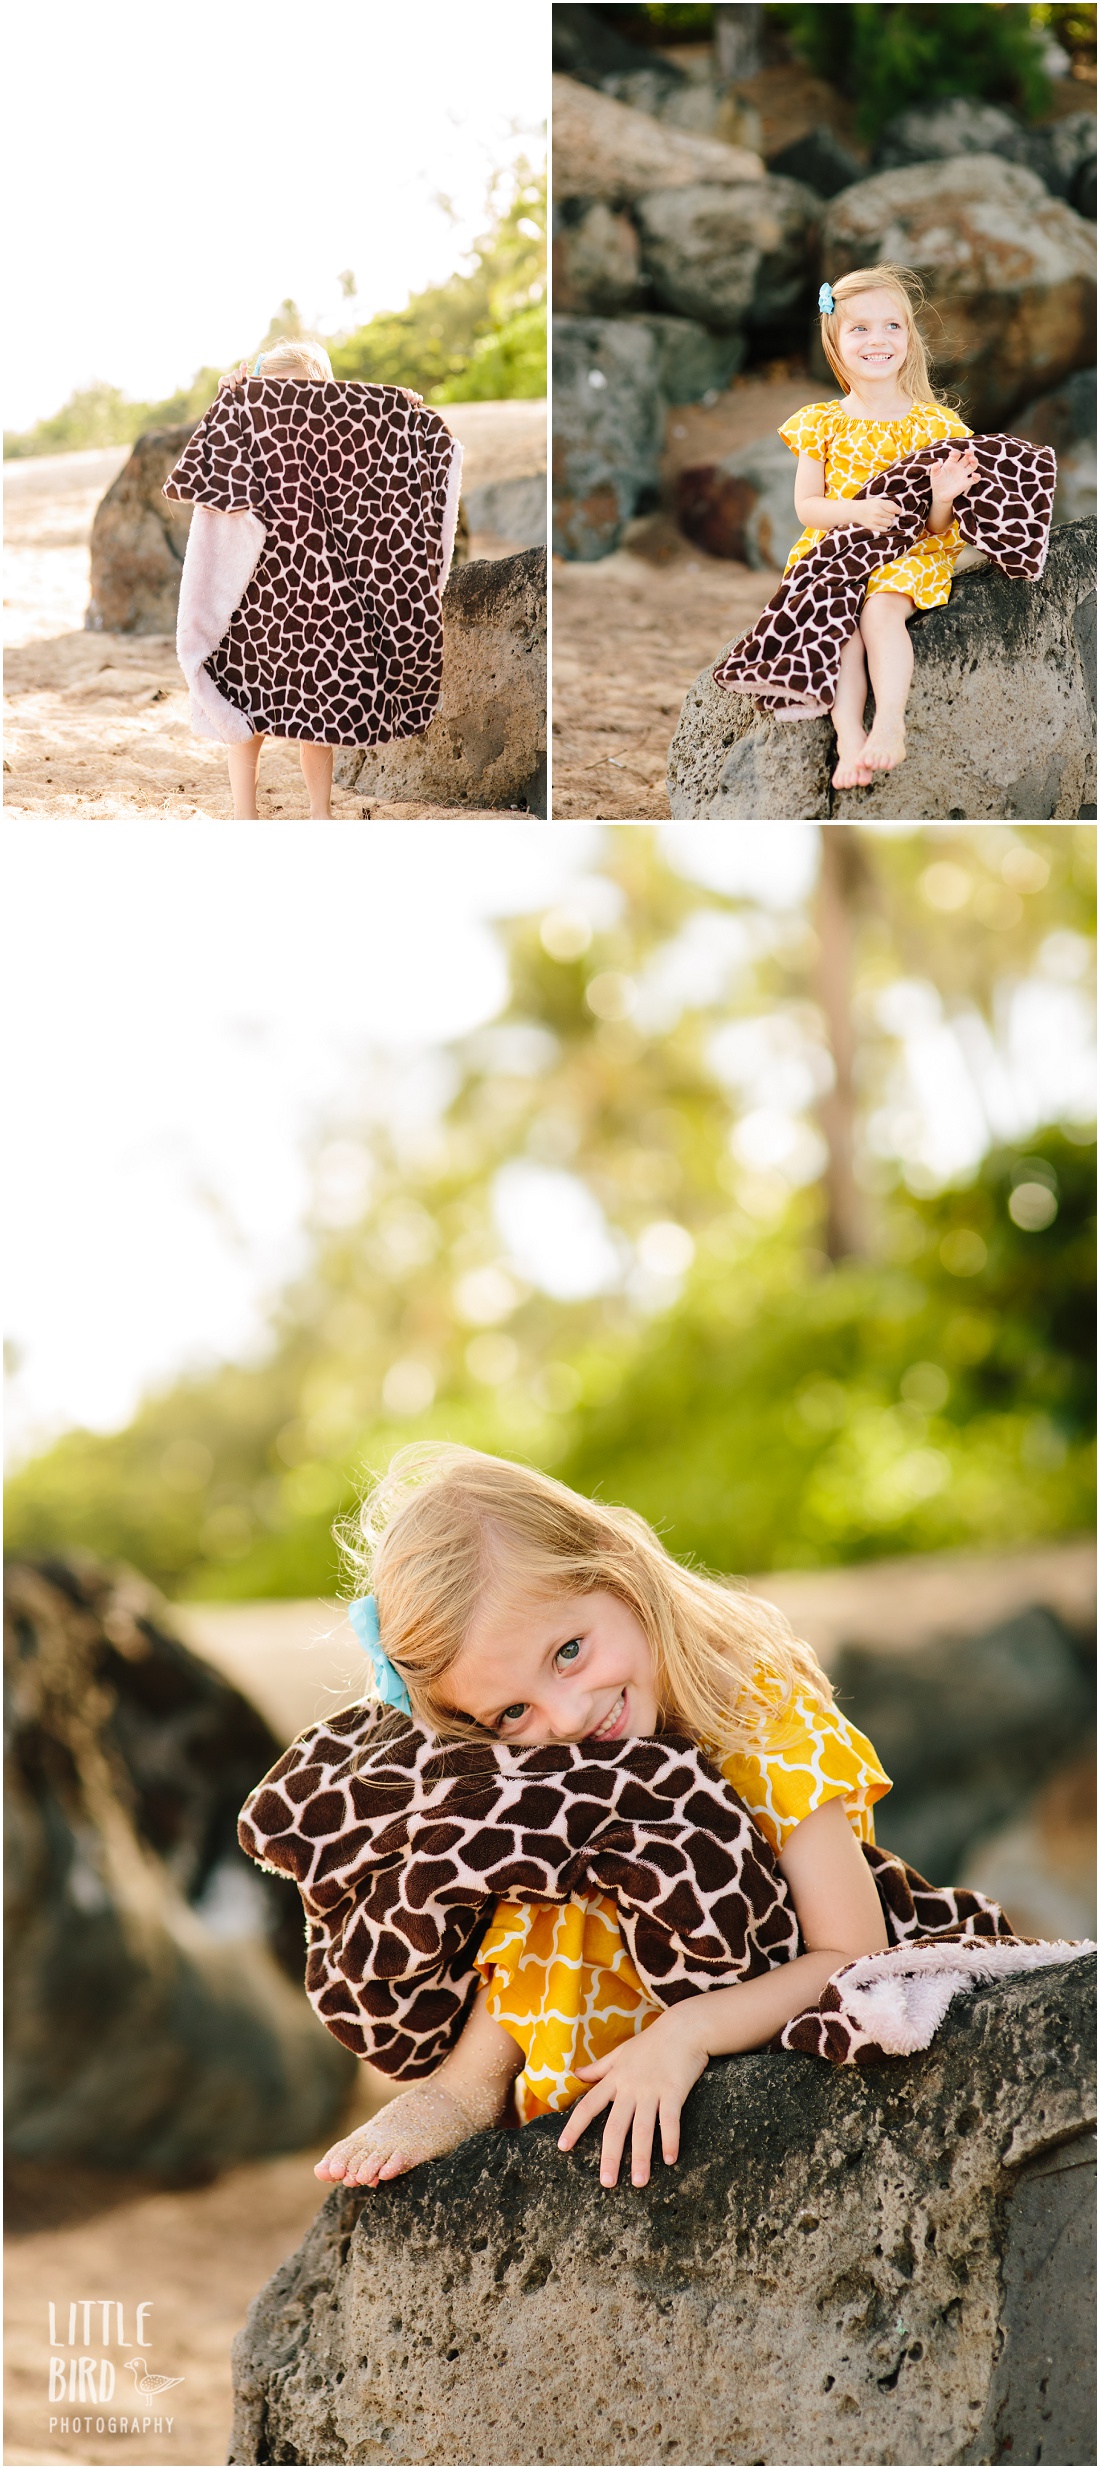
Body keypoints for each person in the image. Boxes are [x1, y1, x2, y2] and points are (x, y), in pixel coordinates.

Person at [311, 1445, 893, 2194]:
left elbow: (856, 1955)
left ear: (615, 1570)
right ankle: (468, 2082)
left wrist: (689, 2032)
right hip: (597, 2024)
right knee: (537, 1811)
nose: (569, 1715)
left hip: (752, 1974)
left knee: (597, 1806)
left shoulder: (757, 1707)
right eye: (511, 1710)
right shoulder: (566, 1751)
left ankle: (483, 2081)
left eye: (570, 1651)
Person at [163, 341, 460, 824]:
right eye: (276, 392)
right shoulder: (246, 409)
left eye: (301, 393)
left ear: (324, 392)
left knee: (320, 712)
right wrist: (234, 392)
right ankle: (245, 813)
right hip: (256, 592)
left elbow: (384, 449)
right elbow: (217, 461)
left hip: (322, 591)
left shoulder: (343, 427)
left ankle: (320, 813)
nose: (288, 405)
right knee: (244, 704)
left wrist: (399, 410)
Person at [777, 263, 978, 791]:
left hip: (910, 551)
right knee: (837, 623)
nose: (877, 340)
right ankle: (848, 738)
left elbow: (939, 529)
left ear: (909, 338)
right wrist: (857, 513)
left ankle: (889, 720)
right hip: (840, 547)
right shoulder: (821, 421)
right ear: (835, 340)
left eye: (892, 326)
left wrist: (942, 497)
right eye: (859, 328)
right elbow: (807, 507)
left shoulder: (936, 425)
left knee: (881, 610)